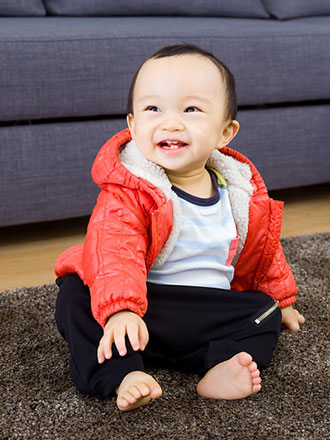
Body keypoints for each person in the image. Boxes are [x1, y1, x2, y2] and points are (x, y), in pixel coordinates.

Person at [55, 44, 305, 411]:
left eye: (191, 110)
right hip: (141, 311)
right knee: (76, 295)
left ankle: (220, 366)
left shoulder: (238, 193)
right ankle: (122, 373)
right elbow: (114, 251)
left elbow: (264, 252)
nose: (170, 123)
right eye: (153, 109)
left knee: (262, 312)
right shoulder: (128, 193)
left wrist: (280, 302)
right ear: (133, 125)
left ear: (225, 132)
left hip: (204, 314)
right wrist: (121, 310)